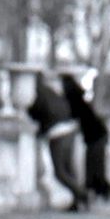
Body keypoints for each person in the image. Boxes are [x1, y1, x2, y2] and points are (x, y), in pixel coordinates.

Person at [26, 71, 88, 211]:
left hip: (57, 133)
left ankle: (82, 194)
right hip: (69, 130)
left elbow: (37, 113)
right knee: (68, 169)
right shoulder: (51, 92)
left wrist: (40, 131)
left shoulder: (37, 95)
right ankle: (77, 200)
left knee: (59, 172)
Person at [62, 70, 110, 202]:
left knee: (94, 165)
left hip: (95, 136)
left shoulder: (73, 99)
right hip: (97, 134)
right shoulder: (79, 97)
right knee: (96, 165)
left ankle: (98, 191)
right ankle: (101, 191)